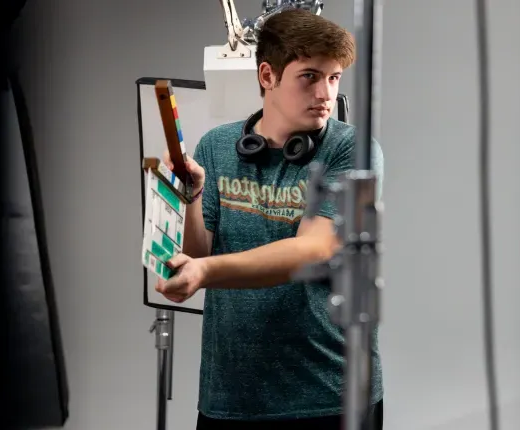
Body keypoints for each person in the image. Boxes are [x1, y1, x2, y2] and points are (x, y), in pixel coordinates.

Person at [155, 9, 385, 430]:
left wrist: (205, 270)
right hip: (231, 396)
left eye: (334, 78)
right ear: (267, 75)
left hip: (329, 396)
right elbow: (194, 254)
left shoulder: (352, 150)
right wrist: (192, 198)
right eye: (310, 76)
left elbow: (313, 249)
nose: (326, 93)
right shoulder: (217, 146)